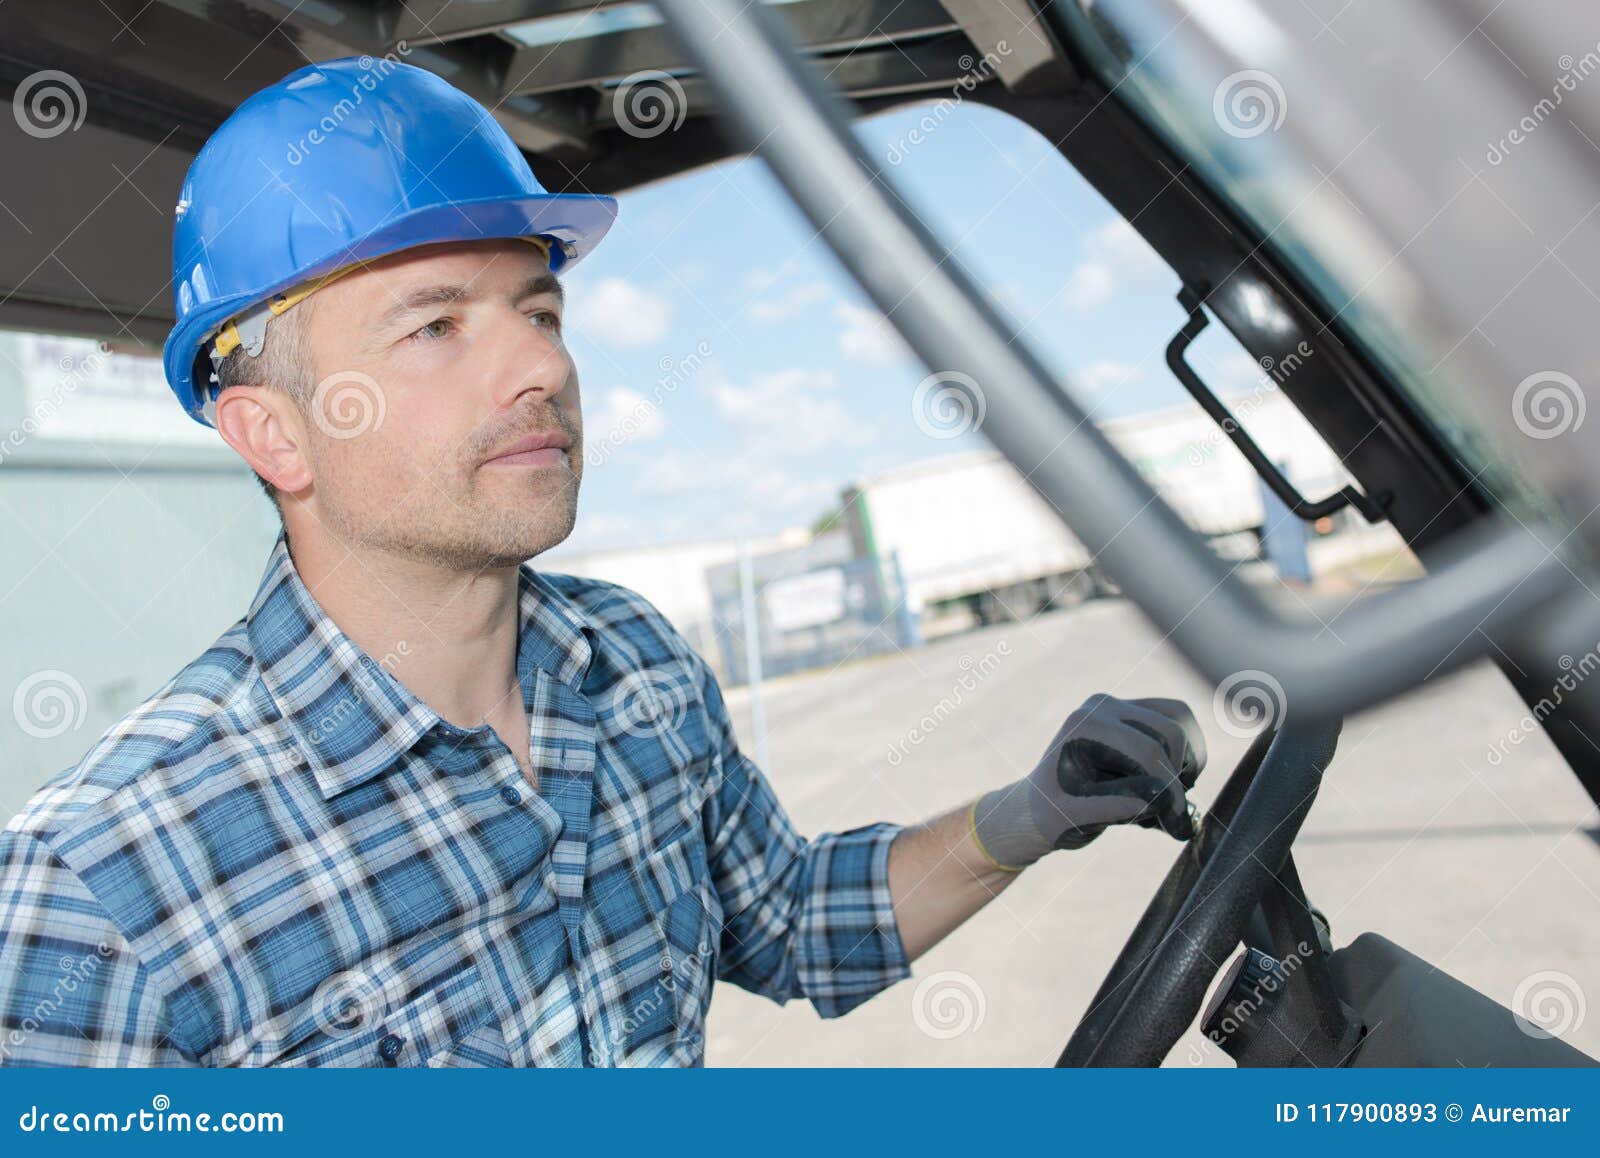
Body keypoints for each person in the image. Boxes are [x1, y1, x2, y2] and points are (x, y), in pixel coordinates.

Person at [0, 58, 1205, 1067]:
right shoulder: (97, 892)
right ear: (274, 430)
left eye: (538, 312)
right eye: (435, 326)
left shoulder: (632, 661)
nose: (539, 368)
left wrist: (1026, 813)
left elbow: (790, 923)